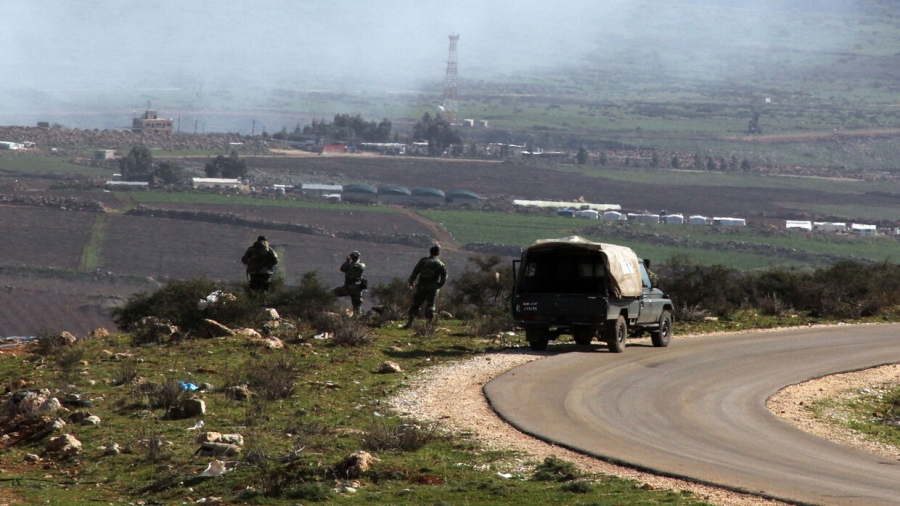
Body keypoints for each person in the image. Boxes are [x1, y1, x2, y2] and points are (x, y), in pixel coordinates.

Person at [404, 245, 448, 329]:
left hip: (421, 286)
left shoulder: (423, 261)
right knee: (431, 305)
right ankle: (429, 324)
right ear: (438, 253)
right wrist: (438, 286)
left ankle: (410, 322)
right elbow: (444, 277)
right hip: (433, 287)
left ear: (430, 252)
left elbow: (415, 272)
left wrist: (411, 282)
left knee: (416, 304)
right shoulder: (441, 264)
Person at [334, 250, 366, 316]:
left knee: (333, 294)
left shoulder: (348, 266)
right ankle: (358, 317)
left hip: (348, 286)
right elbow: (362, 266)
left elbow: (342, 269)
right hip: (357, 287)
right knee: (357, 304)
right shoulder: (361, 266)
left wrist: (347, 261)